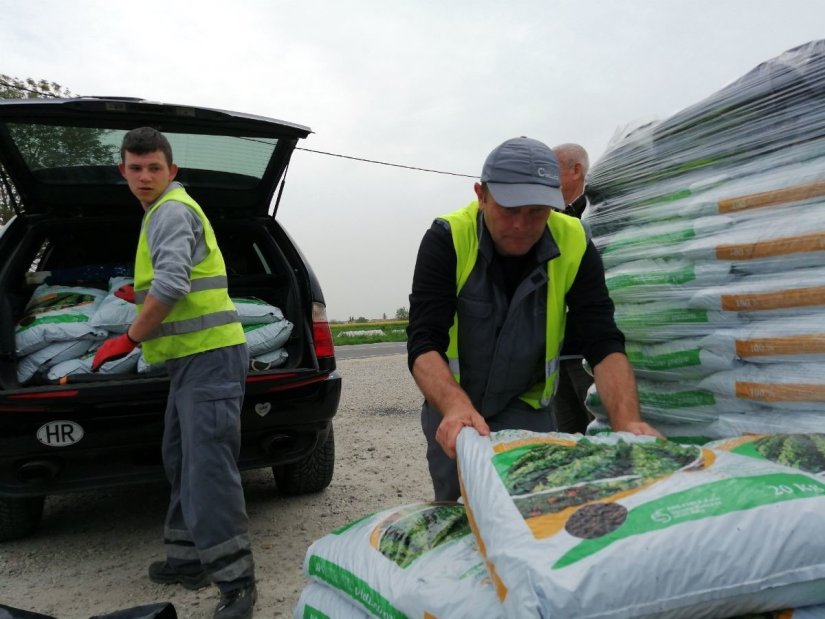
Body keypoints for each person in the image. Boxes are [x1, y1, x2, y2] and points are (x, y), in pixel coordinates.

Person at [406, 136, 659, 501]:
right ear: (482, 195)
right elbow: (423, 341)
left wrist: (627, 423)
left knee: (534, 505)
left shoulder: (573, 240)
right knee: (459, 510)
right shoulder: (447, 238)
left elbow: (603, 340)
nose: (523, 226)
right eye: (510, 210)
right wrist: (454, 407)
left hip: (524, 404)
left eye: (537, 211)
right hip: (455, 401)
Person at [92, 127, 256, 619]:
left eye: (153, 168)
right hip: (190, 359)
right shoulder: (161, 213)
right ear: (123, 170)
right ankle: (188, 561)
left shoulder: (171, 211)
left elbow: (172, 282)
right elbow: (166, 286)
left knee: (208, 471)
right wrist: (136, 300)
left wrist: (131, 337)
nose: (144, 176)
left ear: (171, 171)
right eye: (135, 168)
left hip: (211, 356)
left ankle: (238, 584)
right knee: (181, 457)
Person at [552, 143, 595, 434]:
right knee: (565, 439)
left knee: (598, 432)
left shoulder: (596, 214)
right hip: (557, 355)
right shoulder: (552, 218)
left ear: (576, 170)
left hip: (588, 356)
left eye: (551, 171)